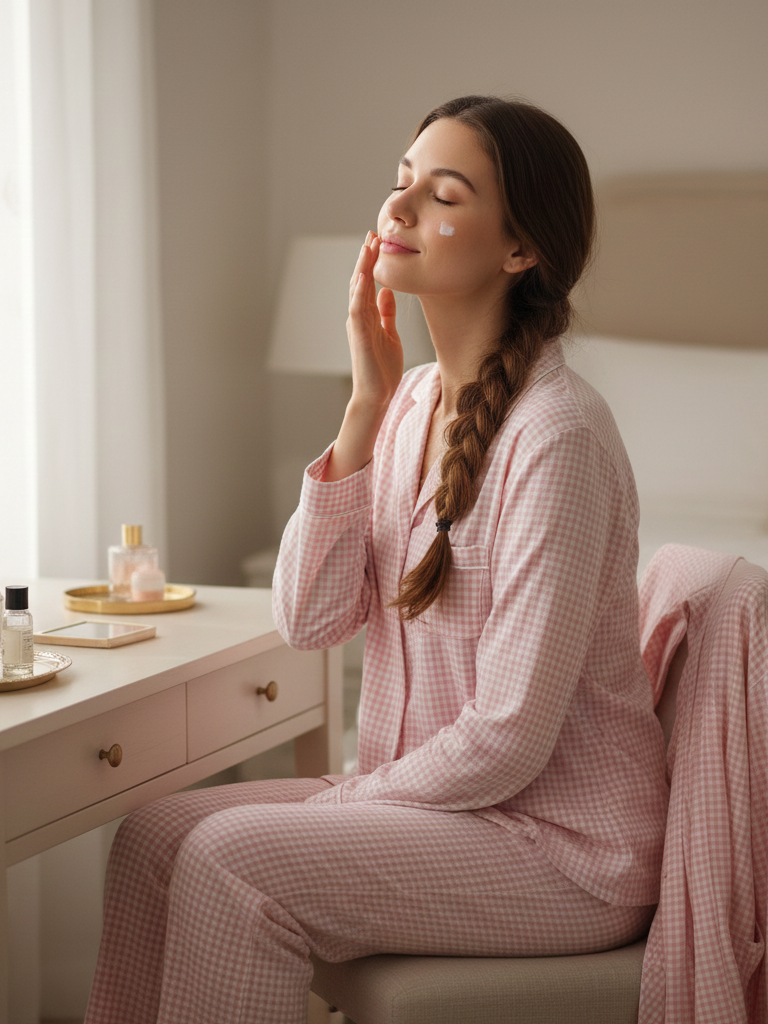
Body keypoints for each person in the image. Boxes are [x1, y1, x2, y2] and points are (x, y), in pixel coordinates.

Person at [84, 96, 669, 1024]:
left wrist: (349, 800)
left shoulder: (557, 438)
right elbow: (308, 620)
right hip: (449, 811)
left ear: (522, 249)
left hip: (562, 848)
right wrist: (363, 407)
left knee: (232, 860)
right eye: (400, 184)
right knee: (153, 832)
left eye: (441, 195)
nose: (397, 210)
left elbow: (507, 737)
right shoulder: (413, 403)